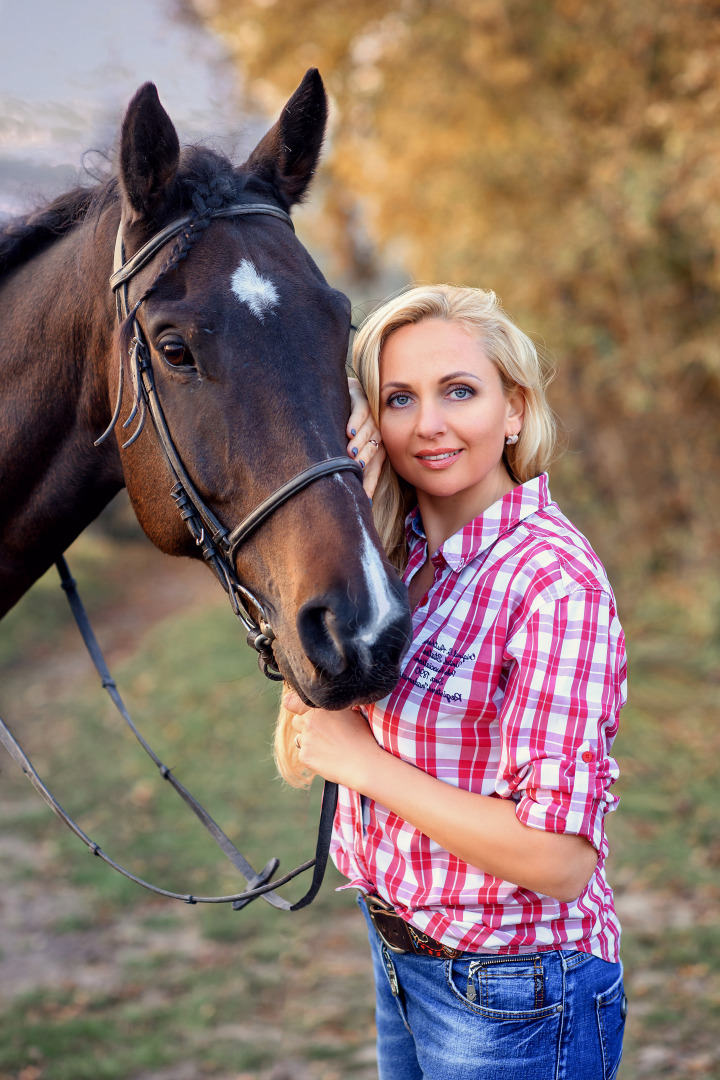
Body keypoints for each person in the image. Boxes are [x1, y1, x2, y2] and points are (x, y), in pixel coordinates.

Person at [279, 285, 627, 1080]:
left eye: (459, 391)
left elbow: (558, 859)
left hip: (513, 995)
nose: (429, 424)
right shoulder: (398, 558)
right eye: (399, 399)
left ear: (515, 409)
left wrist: (365, 766)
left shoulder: (552, 583)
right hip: (402, 955)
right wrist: (349, 514)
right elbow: (307, 723)